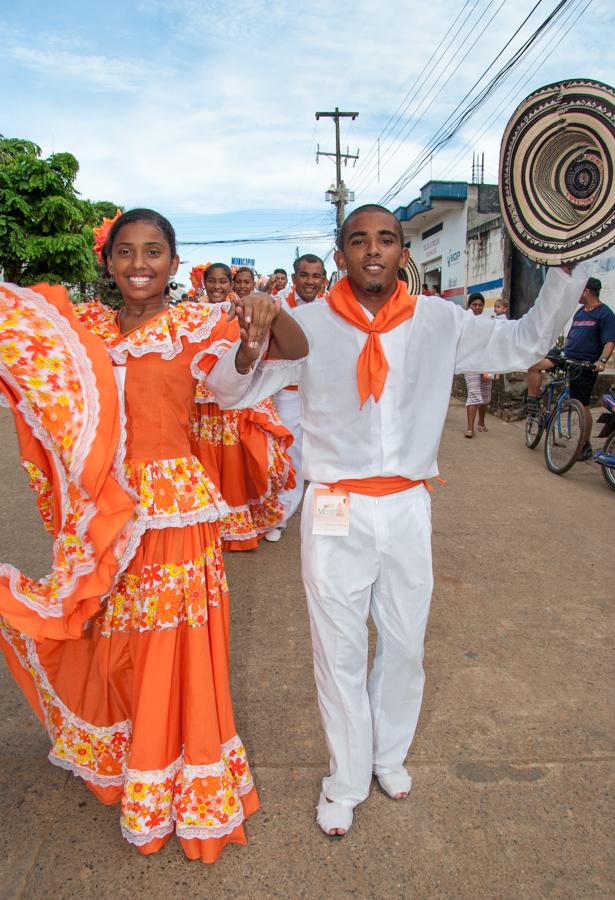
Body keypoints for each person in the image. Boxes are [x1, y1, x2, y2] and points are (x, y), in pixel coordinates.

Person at [207, 203, 584, 838]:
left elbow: (525, 343)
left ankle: (387, 757)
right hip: (334, 508)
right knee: (339, 650)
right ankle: (345, 778)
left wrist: (565, 270)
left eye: (386, 239)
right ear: (340, 254)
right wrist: (249, 347)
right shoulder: (306, 324)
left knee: (405, 645)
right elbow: (229, 392)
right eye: (359, 241)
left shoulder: (440, 321)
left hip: (408, 504)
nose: (373, 251)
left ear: (403, 250)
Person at [0, 209, 307, 862]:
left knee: (169, 653)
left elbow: (246, 373)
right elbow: (25, 375)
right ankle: (122, 750)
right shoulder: (78, 330)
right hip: (101, 516)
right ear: (106, 262)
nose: (140, 263)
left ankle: (168, 782)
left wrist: (257, 326)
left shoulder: (195, 324)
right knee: (107, 641)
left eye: (154, 251)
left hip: (171, 514)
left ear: (173, 262)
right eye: (126, 252)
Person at [192, 263, 296, 550]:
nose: (217, 287)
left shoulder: (242, 310)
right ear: (204, 282)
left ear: (232, 283)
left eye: (223, 281)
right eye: (211, 281)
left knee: (242, 461)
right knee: (207, 462)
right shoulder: (189, 314)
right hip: (202, 406)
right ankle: (208, 525)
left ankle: (243, 521)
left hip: (236, 403)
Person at [266, 254, 327, 543]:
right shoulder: (281, 308)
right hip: (288, 395)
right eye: (305, 275)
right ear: (294, 278)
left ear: (323, 279)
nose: (310, 282)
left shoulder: (332, 309)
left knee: (328, 456)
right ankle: (280, 518)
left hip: (324, 397)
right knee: (289, 459)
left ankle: (329, 521)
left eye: (316, 276)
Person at [526, 276, 615, 457]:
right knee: (534, 366)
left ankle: (584, 444)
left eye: (579, 291)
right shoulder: (580, 312)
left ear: (586, 291)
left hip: (584, 364)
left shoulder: (605, 314)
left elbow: (609, 342)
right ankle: (532, 404)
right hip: (566, 356)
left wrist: (602, 361)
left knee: (582, 405)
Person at [463, 292, 493, 437]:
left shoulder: (488, 321)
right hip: (470, 363)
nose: (477, 307)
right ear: (469, 306)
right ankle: (470, 428)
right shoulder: (463, 322)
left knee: (486, 393)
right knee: (474, 393)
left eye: (480, 305)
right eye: (474, 304)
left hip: (488, 363)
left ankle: (481, 422)